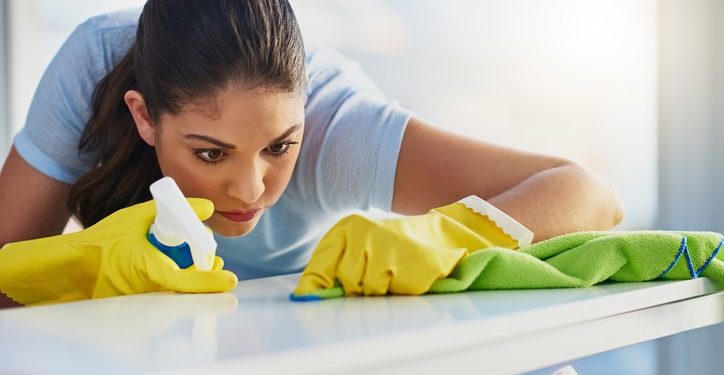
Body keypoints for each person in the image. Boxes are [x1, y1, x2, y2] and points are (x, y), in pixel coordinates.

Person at [0, 0, 623, 308]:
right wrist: (76, 272)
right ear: (143, 116)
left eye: (278, 146)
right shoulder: (92, 67)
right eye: (210, 153)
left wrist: (452, 234)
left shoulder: (336, 125)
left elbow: (589, 192)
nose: (250, 190)